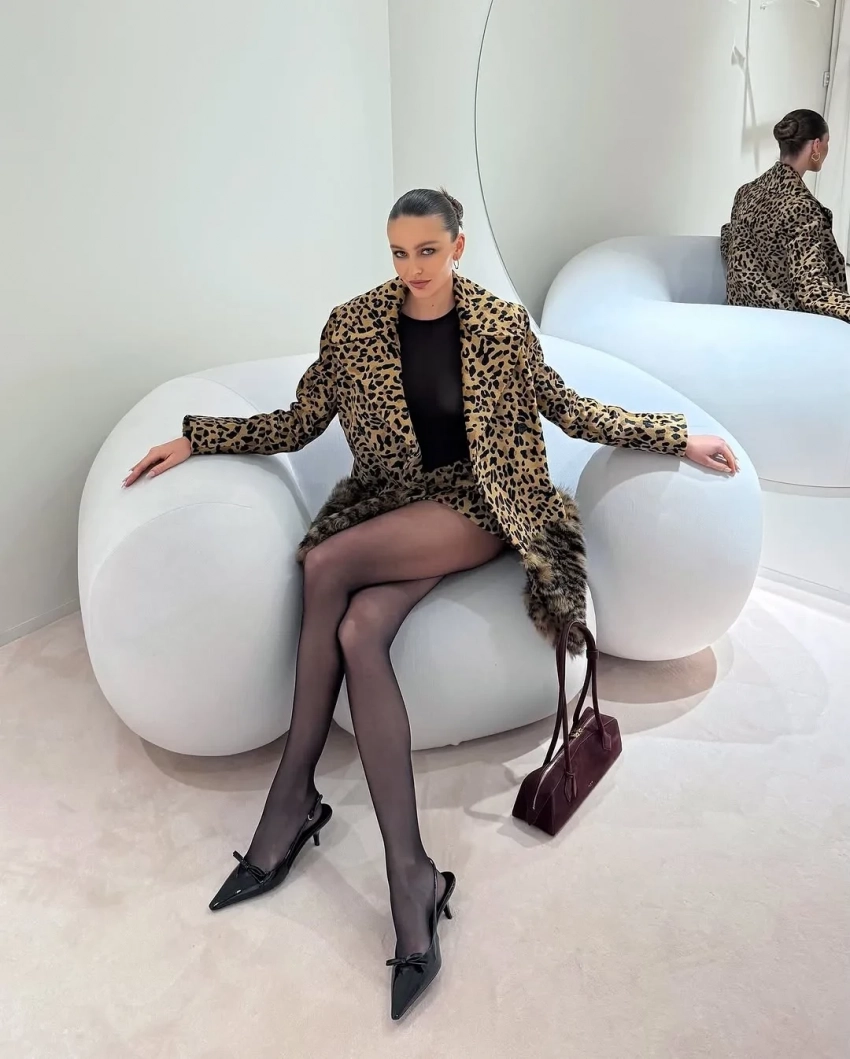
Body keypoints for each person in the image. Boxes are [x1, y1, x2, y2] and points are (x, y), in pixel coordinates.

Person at [124, 187, 738, 1020]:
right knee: (358, 627)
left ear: (456, 248)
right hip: (397, 509)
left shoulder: (499, 326)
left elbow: (566, 408)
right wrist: (199, 436)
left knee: (327, 562)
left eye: (425, 250)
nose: (411, 267)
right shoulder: (353, 327)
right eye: (397, 251)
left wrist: (674, 435)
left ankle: (291, 798)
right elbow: (298, 422)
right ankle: (410, 873)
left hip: (482, 506)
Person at [721, 109, 849, 323]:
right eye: (827, 143)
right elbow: (811, 291)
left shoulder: (745, 192)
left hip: (740, 313)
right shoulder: (801, 207)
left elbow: (733, 242)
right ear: (816, 146)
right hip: (783, 323)